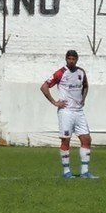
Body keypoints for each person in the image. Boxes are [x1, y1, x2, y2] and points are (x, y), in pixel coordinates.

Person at [40, 49, 96, 179]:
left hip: (79, 111)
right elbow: (44, 86)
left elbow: (86, 86)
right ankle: (66, 172)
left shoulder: (81, 72)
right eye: (69, 59)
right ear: (66, 59)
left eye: (73, 59)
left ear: (77, 60)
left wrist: (83, 98)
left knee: (86, 139)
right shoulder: (60, 73)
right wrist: (54, 102)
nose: (71, 61)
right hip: (66, 112)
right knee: (66, 140)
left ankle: (85, 172)